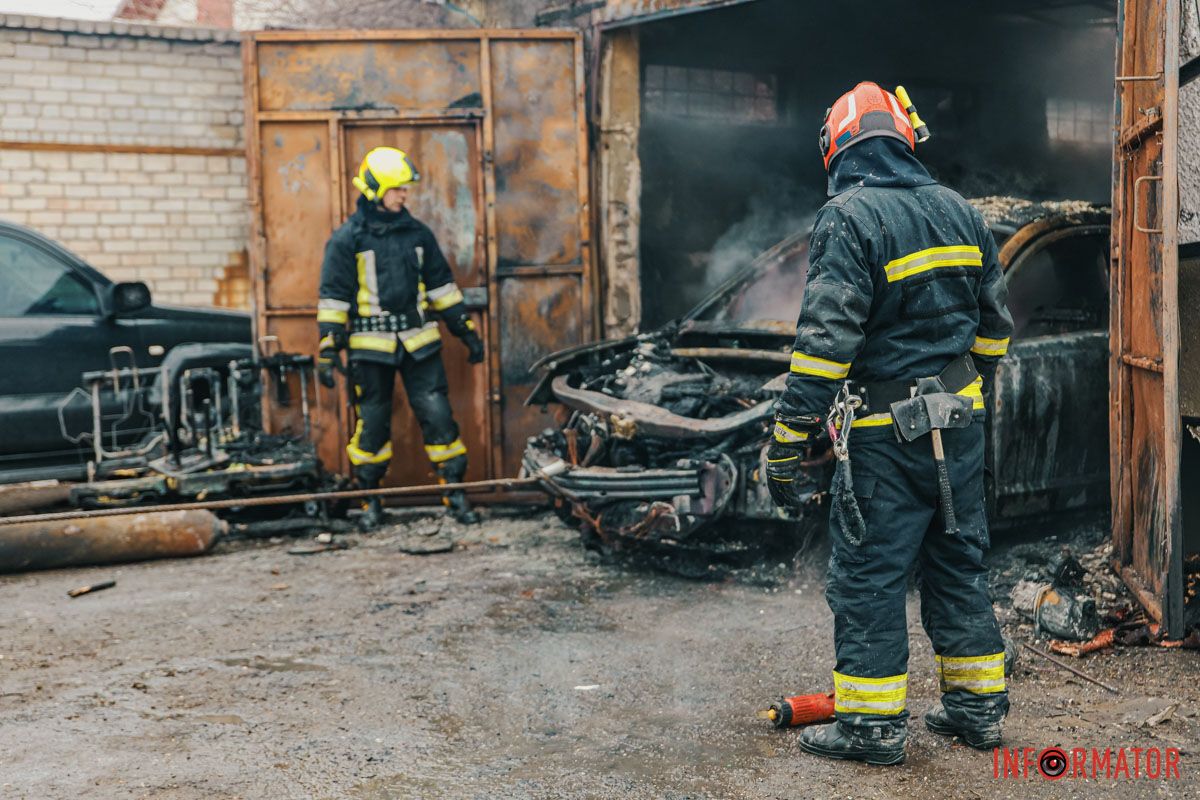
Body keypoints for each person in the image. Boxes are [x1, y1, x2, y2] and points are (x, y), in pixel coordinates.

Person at [766, 82, 1014, 765]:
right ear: (906, 139)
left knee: (869, 576)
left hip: (884, 432)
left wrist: (788, 442)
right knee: (958, 564)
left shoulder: (848, 218)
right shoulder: (962, 212)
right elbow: (994, 332)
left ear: (839, 148)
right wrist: (967, 395)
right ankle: (977, 712)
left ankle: (872, 728)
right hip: (959, 426)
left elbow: (824, 345)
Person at [317, 146, 484, 527]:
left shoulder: (417, 234)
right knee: (372, 422)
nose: (404, 195)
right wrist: (329, 347)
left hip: (419, 344)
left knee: (438, 414)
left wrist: (466, 332)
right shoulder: (347, 240)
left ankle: (454, 493)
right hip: (370, 350)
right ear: (376, 190)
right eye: (397, 189)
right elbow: (333, 298)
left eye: (405, 190)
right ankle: (370, 500)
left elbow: (442, 287)